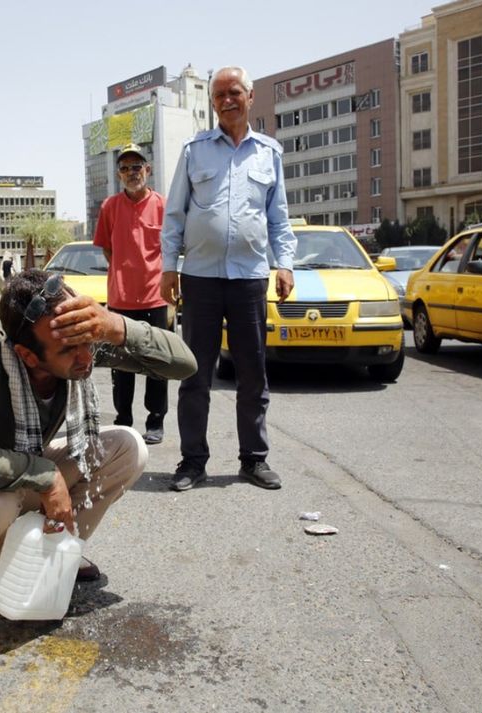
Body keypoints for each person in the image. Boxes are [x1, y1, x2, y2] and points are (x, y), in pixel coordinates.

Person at [0, 269, 197, 609]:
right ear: (27, 355)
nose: (86, 357)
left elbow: (185, 365)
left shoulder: (76, 340)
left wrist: (114, 326)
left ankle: (58, 548)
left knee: (128, 448)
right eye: (70, 350)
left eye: (88, 340)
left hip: (26, 463)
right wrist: (46, 477)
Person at [160, 66, 296, 493]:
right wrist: (168, 266)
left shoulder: (269, 153)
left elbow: (279, 218)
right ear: (213, 102)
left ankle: (254, 460)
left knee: (253, 374)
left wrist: (286, 263)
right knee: (194, 374)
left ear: (250, 96)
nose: (226, 100)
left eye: (233, 92)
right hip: (199, 279)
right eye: (218, 95)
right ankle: (192, 461)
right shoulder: (194, 150)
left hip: (250, 279)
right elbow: (175, 213)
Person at [92, 142, 169, 445]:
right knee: (120, 364)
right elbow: (108, 249)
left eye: (136, 166)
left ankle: (156, 421)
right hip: (121, 299)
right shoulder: (109, 207)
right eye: (125, 168)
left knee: (156, 362)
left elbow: (172, 247)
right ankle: (123, 420)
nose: (131, 172)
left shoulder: (162, 205)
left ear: (147, 170)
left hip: (155, 297)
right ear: (119, 174)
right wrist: (124, 273)